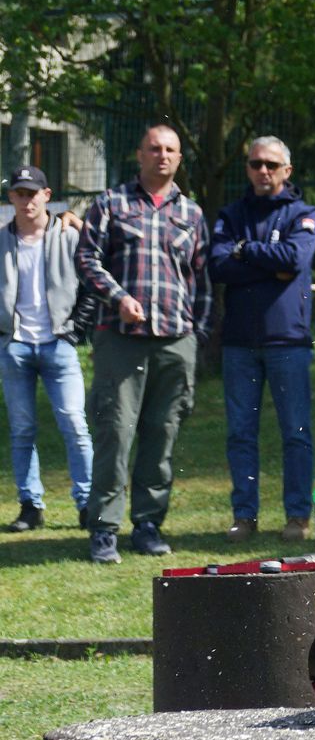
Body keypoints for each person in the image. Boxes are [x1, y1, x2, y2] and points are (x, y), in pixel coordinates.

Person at [76, 124, 212, 564]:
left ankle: (148, 524)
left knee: (163, 432)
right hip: (121, 339)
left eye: (171, 149)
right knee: (115, 431)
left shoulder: (191, 213)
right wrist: (119, 298)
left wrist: (197, 332)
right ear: (139, 153)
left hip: (176, 340)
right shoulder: (111, 203)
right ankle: (104, 529)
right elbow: (86, 258)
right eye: (154, 148)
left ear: (179, 158)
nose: (162, 156)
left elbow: (202, 279)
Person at [207, 136, 315, 543]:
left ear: (287, 171)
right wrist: (263, 261)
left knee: (296, 433)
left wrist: (243, 253)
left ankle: (297, 516)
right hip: (239, 343)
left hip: (288, 341)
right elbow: (218, 266)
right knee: (240, 432)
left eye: (271, 164)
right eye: (255, 164)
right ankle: (244, 515)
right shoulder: (231, 214)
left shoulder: (302, 213)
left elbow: (294, 260)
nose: (263, 171)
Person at [0, 165, 93, 531]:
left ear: (46, 196)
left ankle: (88, 504)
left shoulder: (68, 236)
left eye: (32, 193)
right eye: (19, 194)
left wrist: (75, 330)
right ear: (11, 198)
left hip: (59, 345)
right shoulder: (2, 240)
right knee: (22, 429)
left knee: (74, 423)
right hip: (15, 347)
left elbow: (94, 280)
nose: (26, 201)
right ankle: (30, 505)